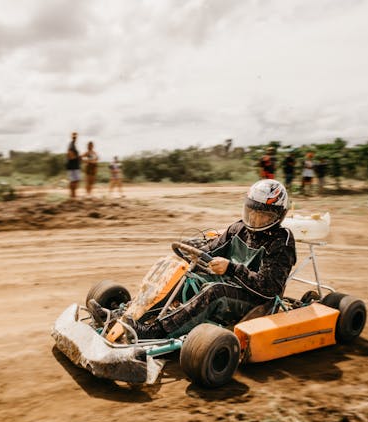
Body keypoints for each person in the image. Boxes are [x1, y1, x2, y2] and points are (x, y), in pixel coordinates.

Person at [116, 179, 297, 339]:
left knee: (214, 291)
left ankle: (156, 331)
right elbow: (211, 249)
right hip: (229, 282)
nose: (256, 219)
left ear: (278, 215)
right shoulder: (239, 229)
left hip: (256, 301)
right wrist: (193, 254)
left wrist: (231, 268)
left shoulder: (282, 242)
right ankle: (128, 315)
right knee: (184, 276)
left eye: (263, 215)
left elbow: (269, 288)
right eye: (253, 212)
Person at [65, 132, 81, 198]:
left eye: (76, 136)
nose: (75, 137)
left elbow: (70, 155)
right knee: (74, 181)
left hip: (74, 166)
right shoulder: (71, 145)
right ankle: (72, 195)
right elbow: (69, 155)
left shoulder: (73, 145)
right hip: (72, 166)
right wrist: (78, 157)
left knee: (75, 180)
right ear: (72, 136)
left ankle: (73, 195)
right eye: (74, 135)